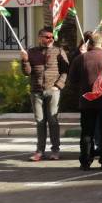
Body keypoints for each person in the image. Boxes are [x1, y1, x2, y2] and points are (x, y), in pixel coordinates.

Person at [20, 27, 69, 161]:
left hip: (52, 91)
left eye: (52, 37)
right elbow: (27, 72)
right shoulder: (31, 52)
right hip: (36, 91)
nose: (50, 39)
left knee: (53, 121)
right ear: (40, 37)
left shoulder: (59, 51)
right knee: (40, 122)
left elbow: (66, 70)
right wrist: (25, 60)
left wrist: (58, 86)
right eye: (47, 37)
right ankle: (40, 151)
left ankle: (55, 150)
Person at [69, 33, 102, 170]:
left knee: (87, 132)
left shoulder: (80, 59)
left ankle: (85, 161)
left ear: (89, 44)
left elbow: (72, 81)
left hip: (86, 101)